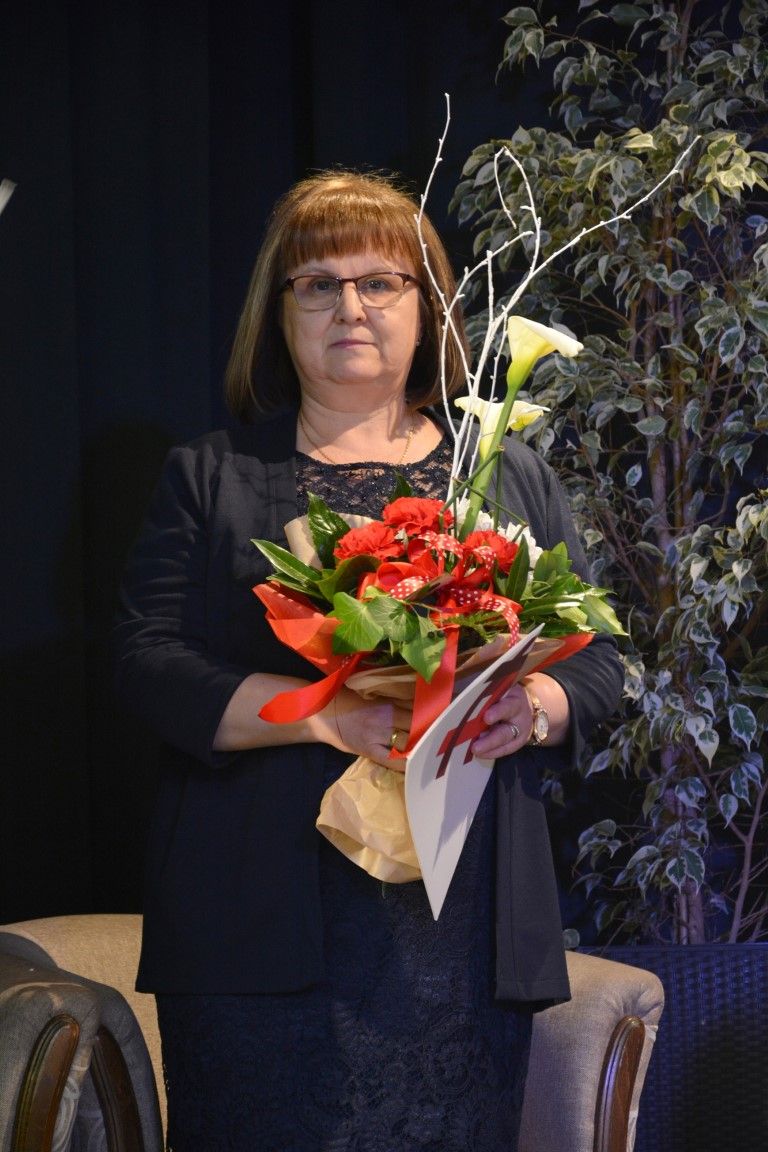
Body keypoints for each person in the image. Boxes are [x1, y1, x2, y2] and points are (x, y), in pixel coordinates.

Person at [113, 168, 624, 1152]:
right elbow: (146, 663)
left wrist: (534, 705)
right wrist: (325, 714)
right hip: (253, 930)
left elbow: (595, 659)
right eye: (318, 284)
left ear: (427, 311)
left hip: (463, 934)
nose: (350, 307)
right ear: (280, 315)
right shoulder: (212, 477)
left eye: (381, 282)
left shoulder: (506, 474)